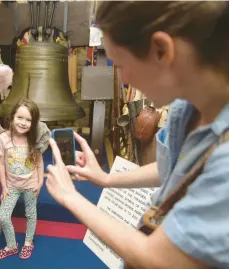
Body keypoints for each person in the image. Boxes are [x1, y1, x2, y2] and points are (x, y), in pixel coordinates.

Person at [46, 2, 229, 269]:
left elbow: (157, 258)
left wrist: (70, 197)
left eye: (120, 64)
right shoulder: (185, 109)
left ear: (161, 50)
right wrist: (107, 179)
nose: (123, 80)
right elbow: (178, 167)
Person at [0, 98, 44, 260]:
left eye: (28, 120)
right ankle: (12, 245)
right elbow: (0, 164)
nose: (23, 122)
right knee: (2, 216)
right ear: (12, 117)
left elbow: (39, 162)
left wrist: (40, 182)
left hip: (31, 185)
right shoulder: (3, 138)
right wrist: (4, 187)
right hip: (12, 186)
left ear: (34, 122)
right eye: (20, 117)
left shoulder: (34, 139)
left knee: (31, 214)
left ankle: (28, 242)